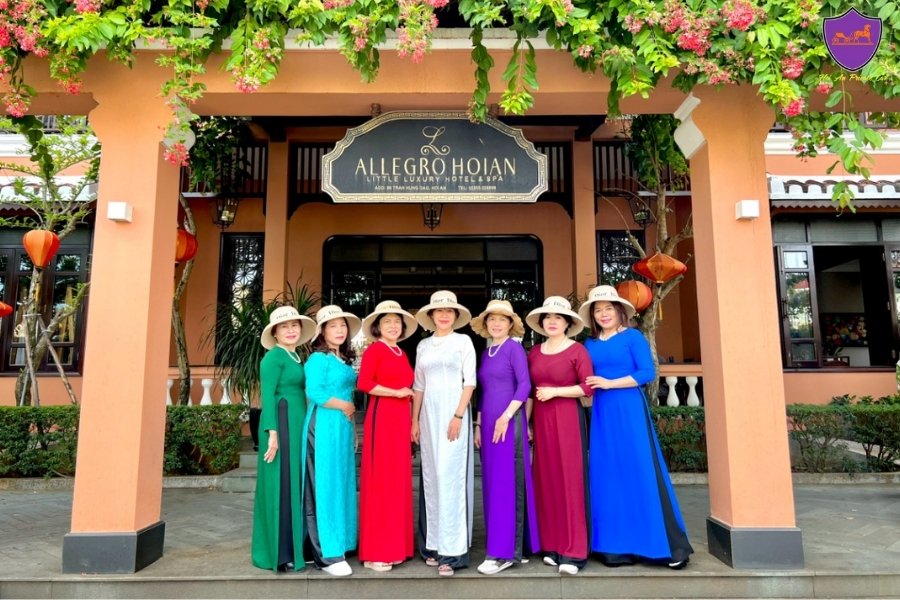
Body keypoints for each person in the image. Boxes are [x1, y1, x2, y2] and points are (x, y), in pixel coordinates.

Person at [579, 285, 693, 569]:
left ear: (620, 312)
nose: (603, 314)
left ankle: (661, 546)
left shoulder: (633, 337)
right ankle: (612, 546)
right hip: (602, 413)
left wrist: (610, 383)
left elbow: (647, 372)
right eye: (598, 310)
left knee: (639, 469)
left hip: (628, 408)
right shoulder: (589, 344)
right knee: (606, 472)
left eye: (608, 308)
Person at [470, 299, 540, 575]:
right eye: (492, 319)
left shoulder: (514, 348)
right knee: (491, 484)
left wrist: (506, 416)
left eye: (502, 319)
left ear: (511, 324)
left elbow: (525, 385)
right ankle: (516, 545)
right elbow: (483, 392)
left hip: (508, 423)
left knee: (505, 484)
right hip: (488, 424)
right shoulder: (487, 352)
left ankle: (503, 553)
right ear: (486, 323)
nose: (496, 323)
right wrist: (478, 424)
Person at [525, 296, 593, 575]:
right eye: (548, 318)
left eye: (558, 318)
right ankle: (552, 546)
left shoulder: (577, 350)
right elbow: (530, 392)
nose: (552, 322)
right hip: (541, 422)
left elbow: (587, 388)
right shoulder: (534, 352)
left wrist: (555, 392)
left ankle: (574, 551)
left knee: (569, 481)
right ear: (542, 323)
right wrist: (526, 423)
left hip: (567, 419)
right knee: (546, 480)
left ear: (567, 323)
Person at [411, 290, 477, 576]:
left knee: (451, 478)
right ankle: (433, 546)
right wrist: (414, 421)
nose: (444, 314)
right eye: (439, 310)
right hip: (428, 417)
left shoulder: (463, 342)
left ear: (456, 315)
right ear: (431, 315)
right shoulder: (423, 345)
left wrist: (459, 415)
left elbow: (470, 382)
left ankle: (453, 553)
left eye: (449, 310)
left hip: (454, 416)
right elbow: (418, 386)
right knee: (432, 477)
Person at [251, 305, 316, 572]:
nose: (290, 330)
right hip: (281, 425)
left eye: (294, 326)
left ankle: (296, 546)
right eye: (284, 327)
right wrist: (272, 434)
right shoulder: (273, 358)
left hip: (296, 423)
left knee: (294, 483)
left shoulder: (296, 356)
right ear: (275, 333)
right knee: (281, 485)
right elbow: (267, 397)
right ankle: (280, 553)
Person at [357, 300, 419, 572]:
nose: (393, 326)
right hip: (382, 417)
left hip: (400, 420)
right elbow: (364, 383)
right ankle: (376, 552)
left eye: (397, 322)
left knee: (397, 482)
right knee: (381, 481)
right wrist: (395, 393)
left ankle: (396, 546)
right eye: (387, 322)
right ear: (377, 327)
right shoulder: (375, 350)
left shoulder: (401, 353)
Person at [302, 304, 362, 577]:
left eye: (342, 326)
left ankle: (342, 541)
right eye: (332, 326)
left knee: (342, 482)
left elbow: (348, 397)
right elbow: (314, 392)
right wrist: (345, 406)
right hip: (323, 426)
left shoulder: (343, 359)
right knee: (325, 485)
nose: (339, 330)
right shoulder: (318, 359)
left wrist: (353, 429)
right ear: (322, 331)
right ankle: (326, 553)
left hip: (342, 428)